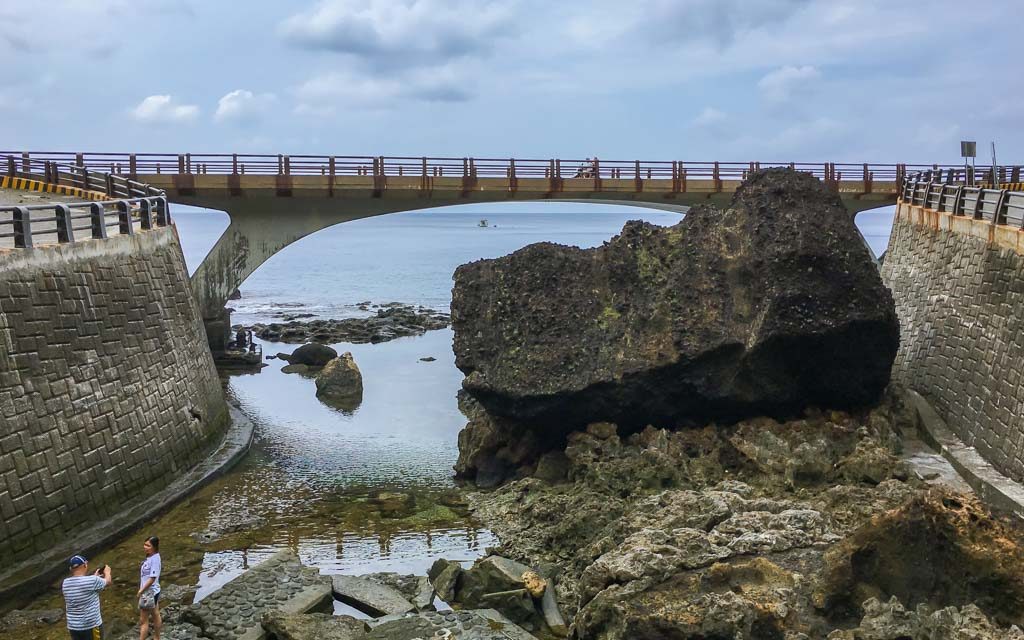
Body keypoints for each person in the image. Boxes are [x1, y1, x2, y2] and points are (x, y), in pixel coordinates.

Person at [62, 554, 111, 640]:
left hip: (74, 627)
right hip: (91, 626)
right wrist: (107, 572)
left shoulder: (65, 583)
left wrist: (95, 577)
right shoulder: (92, 581)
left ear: (70, 569)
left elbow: (82, 587)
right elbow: (108, 581)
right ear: (85, 565)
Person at [137, 536, 162, 640]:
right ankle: (157, 637)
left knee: (143, 621)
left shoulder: (155, 560)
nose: (145, 547)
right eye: (145, 544)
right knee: (155, 614)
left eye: (148, 545)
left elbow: (152, 578)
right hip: (153, 591)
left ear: (154, 547)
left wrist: (141, 591)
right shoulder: (151, 557)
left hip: (149, 593)